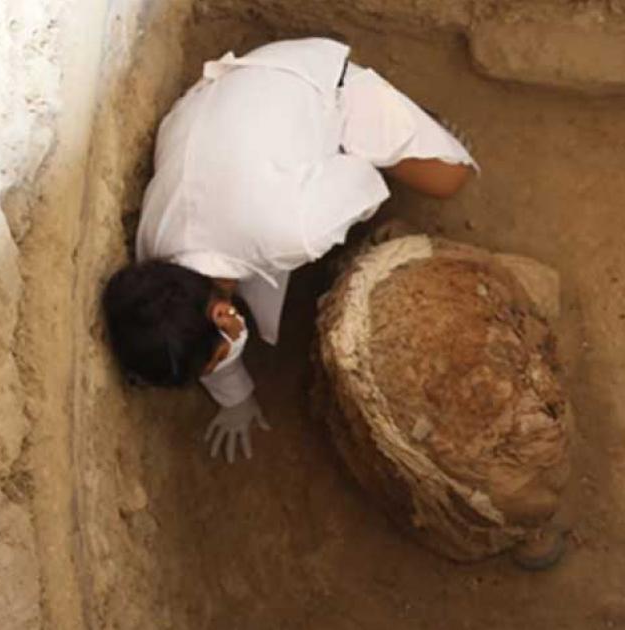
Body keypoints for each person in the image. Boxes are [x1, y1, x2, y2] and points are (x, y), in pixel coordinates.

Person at [102, 38, 477, 463]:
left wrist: (336, 212)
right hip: (210, 105)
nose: (220, 363)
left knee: (449, 178)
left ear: (224, 314)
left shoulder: (295, 231)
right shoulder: (154, 263)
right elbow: (195, 330)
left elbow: (363, 180)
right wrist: (236, 400)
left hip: (312, 82)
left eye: (217, 360)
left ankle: (412, 115)